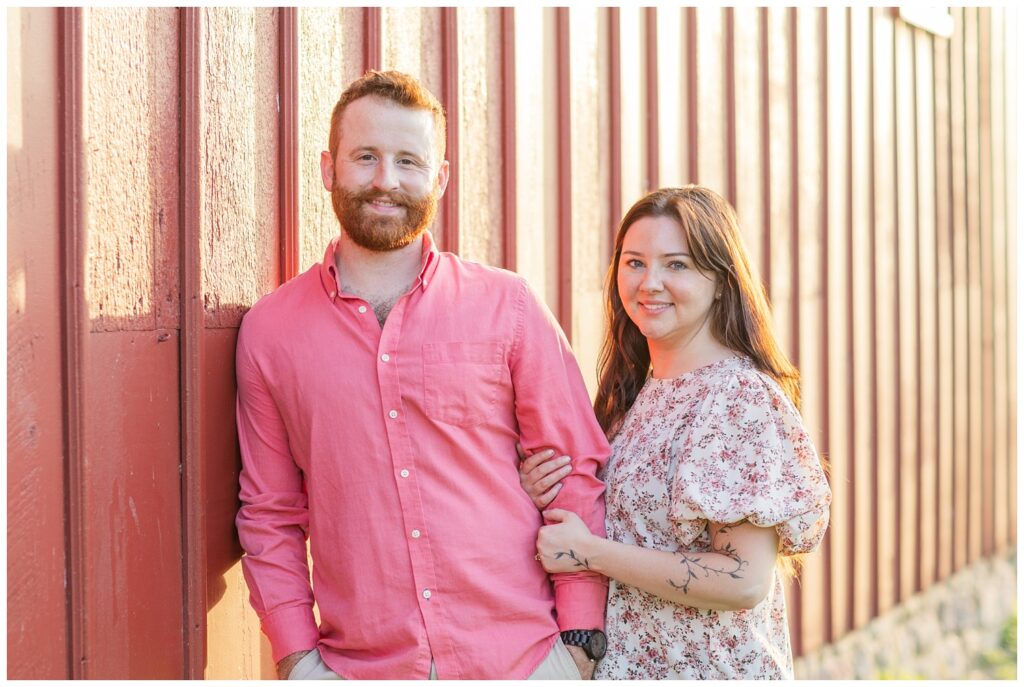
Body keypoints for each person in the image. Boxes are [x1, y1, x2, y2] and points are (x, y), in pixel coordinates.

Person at [235, 70, 610, 680]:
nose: (386, 180)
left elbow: (574, 472)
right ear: (329, 169)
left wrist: (579, 642)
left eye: (408, 161)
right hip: (363, 667)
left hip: (523, 660)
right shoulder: (271, 333)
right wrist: (299, 660)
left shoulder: (508, 306)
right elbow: (269, 513)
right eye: (366, 157)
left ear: (439, 179)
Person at [519, 186, 831, 679]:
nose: (650, 282)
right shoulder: (636, 395)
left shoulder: (735, 398)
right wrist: (541, 491)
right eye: (635, 262)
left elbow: (743, 579)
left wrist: (589, 552)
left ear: (722, 282)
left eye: (677, 265)